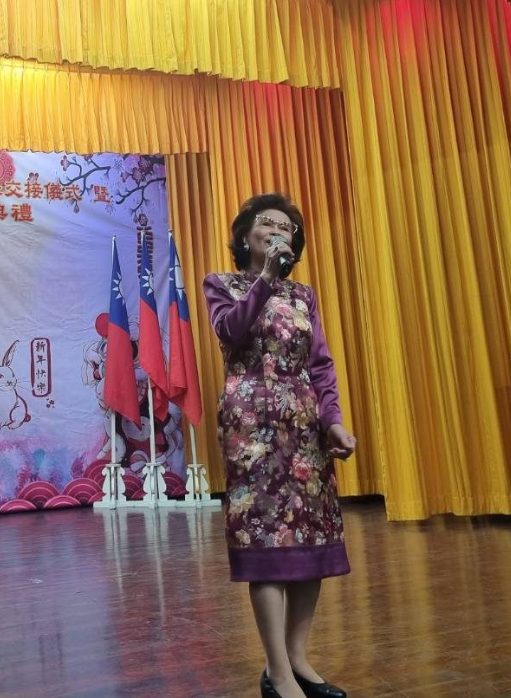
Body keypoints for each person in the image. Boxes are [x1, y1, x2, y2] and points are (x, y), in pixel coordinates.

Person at [203, 193, 358, 698]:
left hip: (303, 423)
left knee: (311, 537)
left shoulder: (304, 295)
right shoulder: (221, 284)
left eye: (287, 227)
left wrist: (333, 422)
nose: (278, 231)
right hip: (251, 424)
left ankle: (297, 658)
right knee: (265, 538)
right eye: (267, 223)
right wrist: (267, 279)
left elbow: (321, 365)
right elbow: (231, 332)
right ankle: (276, 672)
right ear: (245, 234)